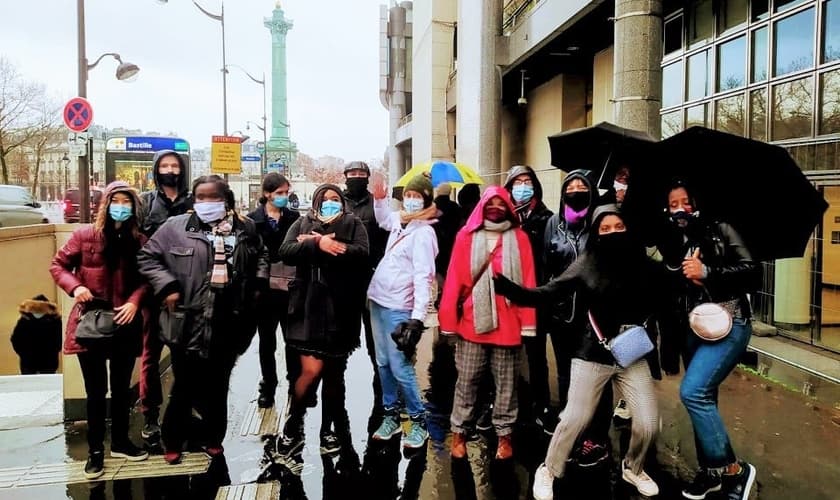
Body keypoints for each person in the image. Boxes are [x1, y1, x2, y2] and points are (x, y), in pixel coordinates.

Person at [495, 204, 664, 499]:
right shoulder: (588, 262)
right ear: (596, 233)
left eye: (618, 227)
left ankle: (633, 468)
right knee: (575, 418)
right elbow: (549, 291)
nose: (613, 233)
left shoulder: (643, 264)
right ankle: (548, 469)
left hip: (632, 354)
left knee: (649, 423)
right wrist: (512, 290)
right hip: (594, 353)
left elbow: (669, 289)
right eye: (605, 228)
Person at [138, 175, 268, 465]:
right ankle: (172, 439)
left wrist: (258, 285)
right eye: (201, 198)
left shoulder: (244, 228)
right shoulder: (175, 228)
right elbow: (147, 258)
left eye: (213, 198)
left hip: (229, 320)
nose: (206, 204)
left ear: (227, 201)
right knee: (184, 384)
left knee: (218, 384)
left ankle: (212, 438)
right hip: (187, 321)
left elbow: (261, 254)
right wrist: (168, 286)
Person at [657, 182, 760, 500]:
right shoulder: (671, 241)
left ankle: (734, 470)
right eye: (673, 203)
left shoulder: (721, 228)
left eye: (685, 201)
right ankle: (710, 471)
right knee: (706, 399)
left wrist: (708, 272)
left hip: (730, 322)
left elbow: (752, 272)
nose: (679, 208)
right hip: (693, 328)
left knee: (693, 392)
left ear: (696, 203)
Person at [50, 181, 150, 479]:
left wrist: (134, 302)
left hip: (125, 322)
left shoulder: (139, 241)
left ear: (134, 206)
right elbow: (58, 266)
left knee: (121, 389)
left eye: (126, 201)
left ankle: (120, 442)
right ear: (105, 204)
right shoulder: (84, 236)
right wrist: (76, 286)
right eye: (115, 200)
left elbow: (147, 277)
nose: (121, 206)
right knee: (95, 391)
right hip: (92, 323)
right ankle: (95, 452)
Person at [438, 186, 536, 461]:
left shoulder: (520, 238)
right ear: (481, 206)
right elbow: (455, 278)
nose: (495, 207)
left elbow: (528, 282)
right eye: (490, 202)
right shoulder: (466, 236)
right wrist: (449, 320)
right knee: (466, 382)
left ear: (508, 206)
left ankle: (504, 436)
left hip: (509, 325)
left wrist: (528, 324)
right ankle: (459, 432)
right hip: (471, 325)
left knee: (506, 386)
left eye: (500, 202)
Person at [276, 183, 369, 458]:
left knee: (334, 376)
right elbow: (286, 251)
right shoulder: (304, 222)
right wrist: (317, 242)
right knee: (310, 371)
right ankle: (294, 424)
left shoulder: (354, 224)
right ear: (316, 202)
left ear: (342, 202)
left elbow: (363, 254)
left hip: (342, 309)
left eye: (335, 199)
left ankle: (328, 429)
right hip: (308, 307)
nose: (330, 203)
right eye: (325, 199)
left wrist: (335, 246)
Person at [367, 173, 438, 449]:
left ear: (426, 201)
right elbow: (384, 219)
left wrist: (417, 319)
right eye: (407, 196)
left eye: (416, 197)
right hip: (378, 301)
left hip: (399, 307)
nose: (410, 201)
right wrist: (379, 198)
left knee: (401, 367)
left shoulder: (424, 234)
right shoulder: (401, 222)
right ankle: (391, 416)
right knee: (383, 363)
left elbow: (424, 278)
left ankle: (418, 422)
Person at [137, 149, 194, 442]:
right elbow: (140, 249)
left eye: (175, 165)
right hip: (153, 291)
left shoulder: (193, 202)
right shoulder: (145, 203)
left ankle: (187, 407)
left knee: (187, 353)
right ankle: (150, 414)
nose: (170, 170)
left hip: (188, 289)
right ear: (155, 170)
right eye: (164, 165)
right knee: (151, 353)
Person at [503, 165, 554, 423]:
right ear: (509, 187)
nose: (523, 187)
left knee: (536, 354)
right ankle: (506, 402)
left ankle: (541, 404)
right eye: (517, 182)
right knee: (507, 352)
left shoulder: (547, 219)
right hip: (508, 296)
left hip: (535, 296)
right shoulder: (502, 218)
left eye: (527, 182)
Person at [247, 173, 301, 409]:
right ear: (267, 194)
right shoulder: (252, 220)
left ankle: (294, 383)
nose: (283, 197)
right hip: (265, 290)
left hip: (290, 288)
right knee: (267, 342)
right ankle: (268, 385)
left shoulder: (294, 217)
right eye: (279, 193)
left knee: (293, 340)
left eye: (286, 193)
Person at [341, 161, 388, 422]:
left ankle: (381, 392)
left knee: (374, 337)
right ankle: (337, 390)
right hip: (344, 279)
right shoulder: (337, 202)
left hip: (372, 278)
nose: (357, 178)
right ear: (345, 177)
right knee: (344, 336)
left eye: (361, 174)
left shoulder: (376, 204)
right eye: (352, 174)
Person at [11, 294, 62, 374]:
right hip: (42, 361)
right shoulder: (54, 320)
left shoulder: (25, 320)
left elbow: (15, 339)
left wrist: (23, 354)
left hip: (42, 361)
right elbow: (16, 339)